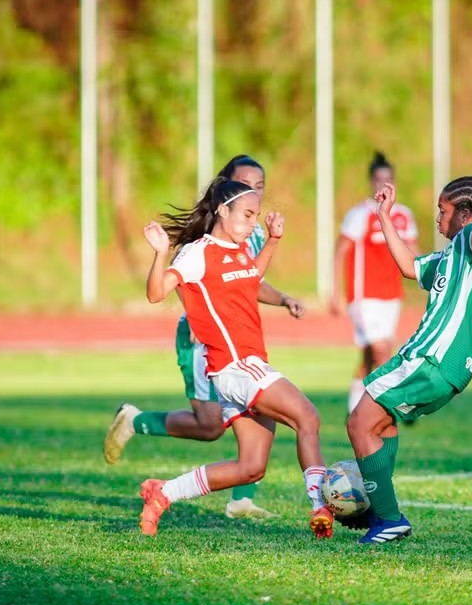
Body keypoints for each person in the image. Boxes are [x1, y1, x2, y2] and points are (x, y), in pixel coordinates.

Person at [104, 155, 304, 520]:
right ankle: (137, 421)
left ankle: (242, 497)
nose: (254, 194)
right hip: (202, 340)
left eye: (260, 188)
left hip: (236, 345)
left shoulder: (251, 230)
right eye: (246, 185)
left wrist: (283, 298)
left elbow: (250, 281)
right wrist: (198, 320)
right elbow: (188, 277)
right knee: (211, 424)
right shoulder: (210, 233)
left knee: (252, 406)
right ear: (225, 191)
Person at [135, 178, 333, 538]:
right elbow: (154, 293)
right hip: (235, 366)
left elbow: (252, 276)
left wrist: (272, 241)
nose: (252, 223)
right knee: (307, 416)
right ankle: (320, 505)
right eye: (247, 214)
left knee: (251, 468)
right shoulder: (197, 253)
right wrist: (160, 252)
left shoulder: (239, 250)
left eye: (256, 215)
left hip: (244, 367)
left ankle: (164, 493)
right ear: (222, 211)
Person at [345, 174, 472, 544]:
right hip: (447, 368)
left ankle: (387, 519)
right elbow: (409, 266)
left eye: (443, 211)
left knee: (358, 423)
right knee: (381, 425)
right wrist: (384, 215)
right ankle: (381, 513)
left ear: (466, 215)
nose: (438, 218)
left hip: (430, 357)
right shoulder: (452, 255)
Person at [330, 151, 419, 412]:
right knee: (381, 351)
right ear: (371, 182)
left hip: (391, 294)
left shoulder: (404, 215)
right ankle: (395, 406)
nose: (383, 184)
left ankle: (355, 409)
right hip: (364, 295)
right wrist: (335, 292)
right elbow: (340, 252)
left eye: (388, 179)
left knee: (371, 356)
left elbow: (415, 251)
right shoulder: (360, 214)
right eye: (378, 179)